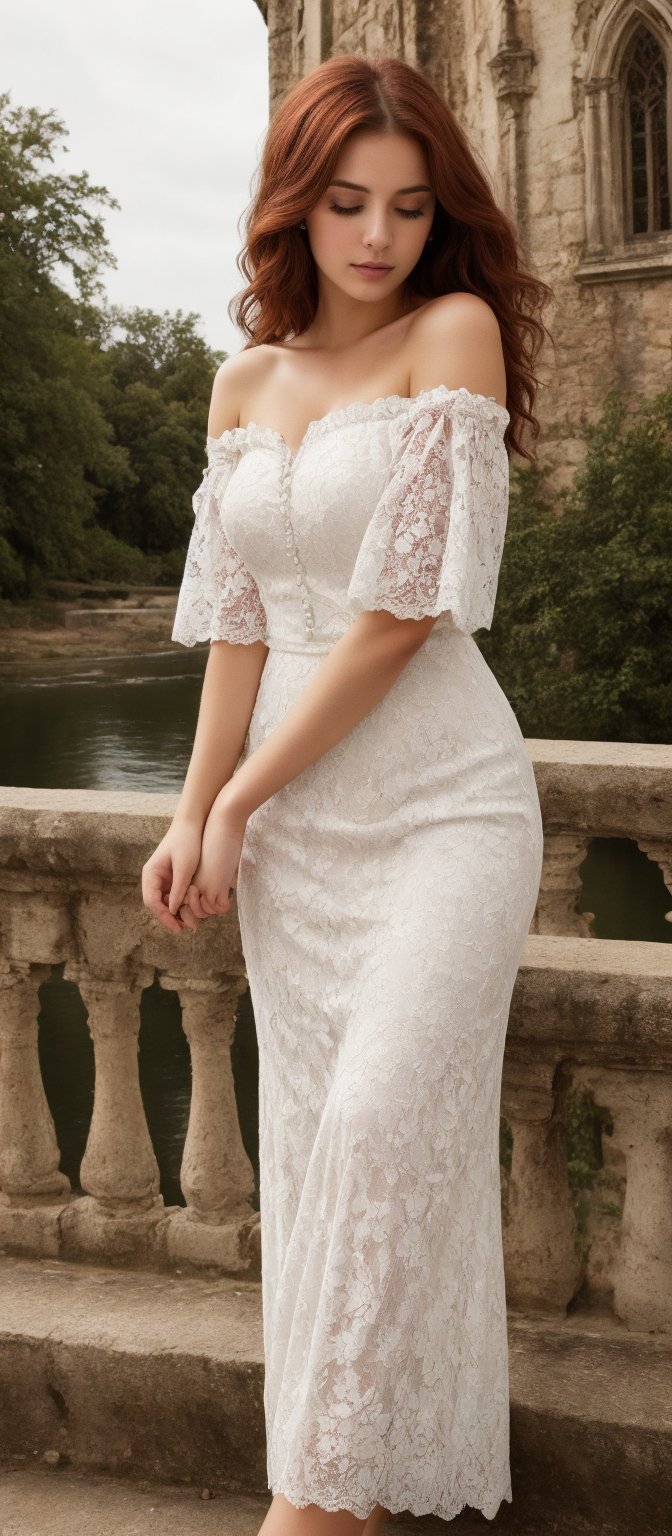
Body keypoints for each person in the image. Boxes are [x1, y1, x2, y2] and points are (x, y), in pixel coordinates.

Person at [142, 51, 552, 1536]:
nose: (375, 235)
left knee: (382, 1127)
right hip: (300, 836)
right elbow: (238, 626)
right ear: (294, 213)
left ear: (438, 217)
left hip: (444, 805)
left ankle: (308, 1516)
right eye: (343, 204)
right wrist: (199, 811)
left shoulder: (454, 334)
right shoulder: (243, 379)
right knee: (324, 1164)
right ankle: (354, 1499)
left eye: (406, 205)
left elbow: (396, 619)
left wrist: (241, 799)